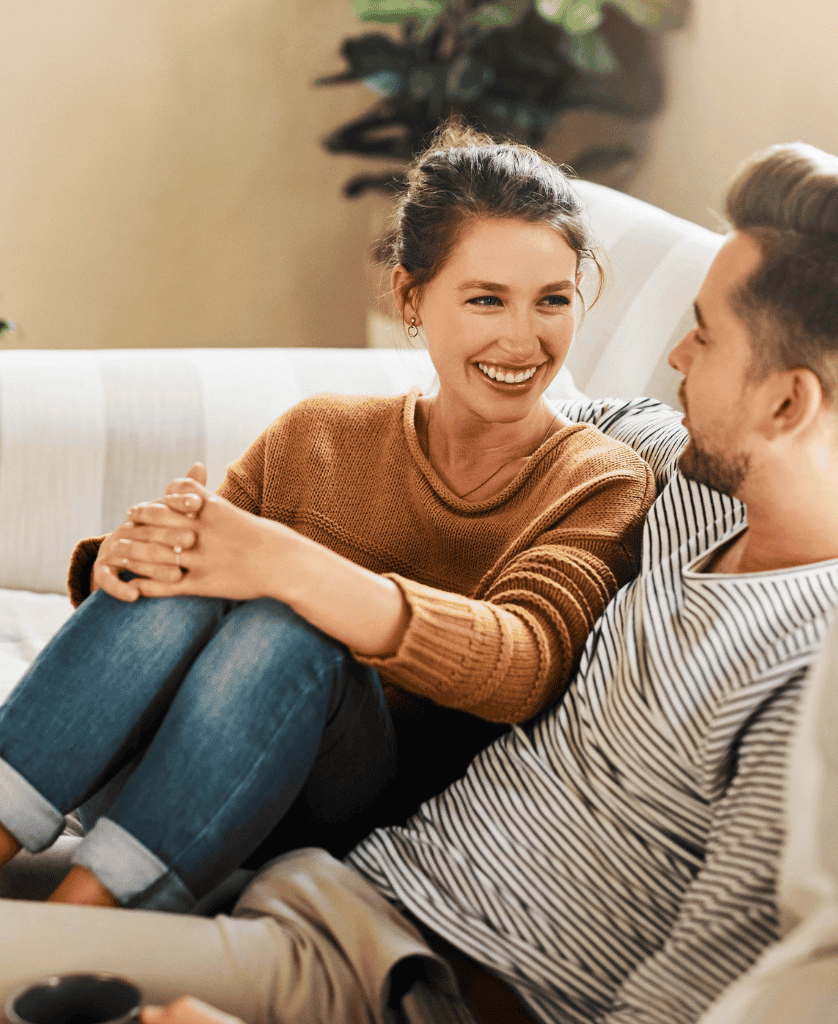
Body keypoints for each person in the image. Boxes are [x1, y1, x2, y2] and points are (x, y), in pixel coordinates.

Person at [0, 142, 838, 1024]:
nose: (671, 352)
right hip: (326, 882)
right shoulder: (684, 488)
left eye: (703, 333)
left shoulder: (826, 682)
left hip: (388, 972)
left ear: (788, 401)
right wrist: (150, 547)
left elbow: (682, 997)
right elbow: (514, 403)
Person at [0, 125, 655, 914]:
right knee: (203, 555)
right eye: (486, 299)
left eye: (552, 301)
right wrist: (125, 559)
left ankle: (71, 932)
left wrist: (288, 568)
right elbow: (196, 583)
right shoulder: (320, 433)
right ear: (411, 297)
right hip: (154, 777)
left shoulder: (596, 479)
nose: (523, 338)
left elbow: (523, 664)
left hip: (337, 808)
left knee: (292, 626)